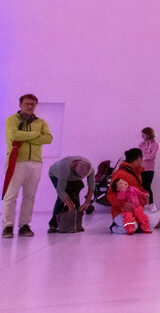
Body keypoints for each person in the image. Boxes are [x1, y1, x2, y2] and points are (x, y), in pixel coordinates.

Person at [3, 94, 52, 238]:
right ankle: (7, 226)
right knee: (10, 195)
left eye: (33, 104)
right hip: (16, 162)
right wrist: (36, 135)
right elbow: (14, 135)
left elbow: (48, 138)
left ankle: (24, 225)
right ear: (20, 105)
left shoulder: (41, 122)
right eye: (27, 103)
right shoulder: (11, 120)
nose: (30, 106)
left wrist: (26, 136)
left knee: (29, 196)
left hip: (35, 163)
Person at [47, 156, 95, 233]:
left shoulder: (89, 167)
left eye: (83, 177)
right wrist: (70, 205)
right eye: (79, 176)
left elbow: (91, 185)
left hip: (71, 176)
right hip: (56, 175)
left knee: (75, 197)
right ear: (74, 166)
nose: (80, 178)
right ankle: (53, 224)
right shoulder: (64, 168)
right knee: (61, 199)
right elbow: (60, 190)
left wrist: (87, 202)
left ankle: (75, 224)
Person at [138, 127, 159, 209]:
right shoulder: (141, 144)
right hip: (140, 168)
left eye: (143, 134)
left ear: (148, 134)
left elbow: (151, 156)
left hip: (150, 169)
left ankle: (151, 203)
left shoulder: (156, 144)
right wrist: (144, 157)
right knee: (140, 186)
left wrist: (144, 157)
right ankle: (140, 204)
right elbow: (139, 155)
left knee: (147, 186)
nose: (142, 136)